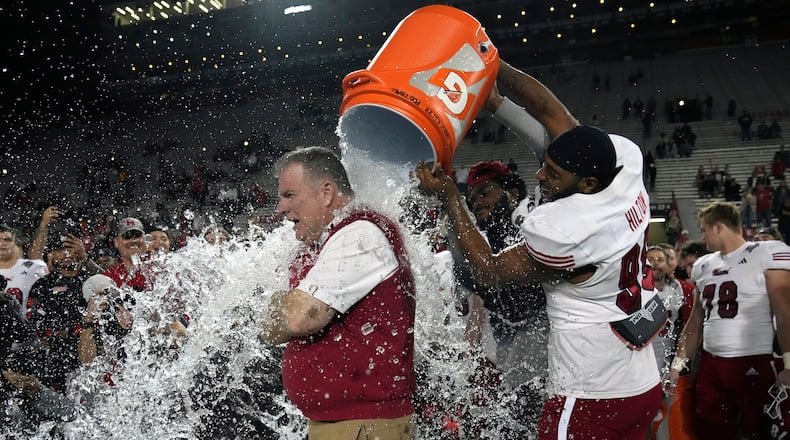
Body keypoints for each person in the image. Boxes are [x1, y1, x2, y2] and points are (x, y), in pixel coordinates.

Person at [415, 60, 663, 439]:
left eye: (553, 173)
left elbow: (490, 271)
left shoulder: (566, 230)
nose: (540, 175)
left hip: (592, 389)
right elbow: (552, 113)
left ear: (587, 183)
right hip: (641, 378)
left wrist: (451, 196)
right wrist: (493, 66)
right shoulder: (624, 169)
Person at [258, 146, 416, 439]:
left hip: (363, 425)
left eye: (289, 195)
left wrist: (277, 309)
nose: (280, 208)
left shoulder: (361, 234)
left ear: (326, 193)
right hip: (348, 423)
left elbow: (298, 318)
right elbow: (271, 329)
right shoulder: (330, 239)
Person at [666, 201, 790, 439]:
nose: (703, 237)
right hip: (711, 366)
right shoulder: (703, 265)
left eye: (704, 229)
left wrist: (789, 364)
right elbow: (695, 323)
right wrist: (677, 364)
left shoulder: (766, 252)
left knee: (759, 432)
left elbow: (784, 312)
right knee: (712, 431)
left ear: (718, 227)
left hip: (752, 361)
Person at [456, 160, 548, 435]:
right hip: (508, 349)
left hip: (548, 343)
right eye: (472, 198)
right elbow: (470, 281)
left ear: (512, 194)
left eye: (485, 192)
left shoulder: (532, 224)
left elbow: (489, 272)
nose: (477, 202)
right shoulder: (486, 237)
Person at [645, 246, 686, 440]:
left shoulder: (677, 288)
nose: (655, 264)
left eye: (659, 259)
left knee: (668, 410)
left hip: (669, 354)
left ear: (667, 263)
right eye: (650, 259)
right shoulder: (639, 289)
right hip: (645, 356)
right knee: (645, 409)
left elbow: (682, 325)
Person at [0, 225, 48, 317]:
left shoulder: (32, 268)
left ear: (17, 244)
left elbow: (36, 255)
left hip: (23, 326)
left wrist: (44, 224)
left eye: (7, 239)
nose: (2, 243)